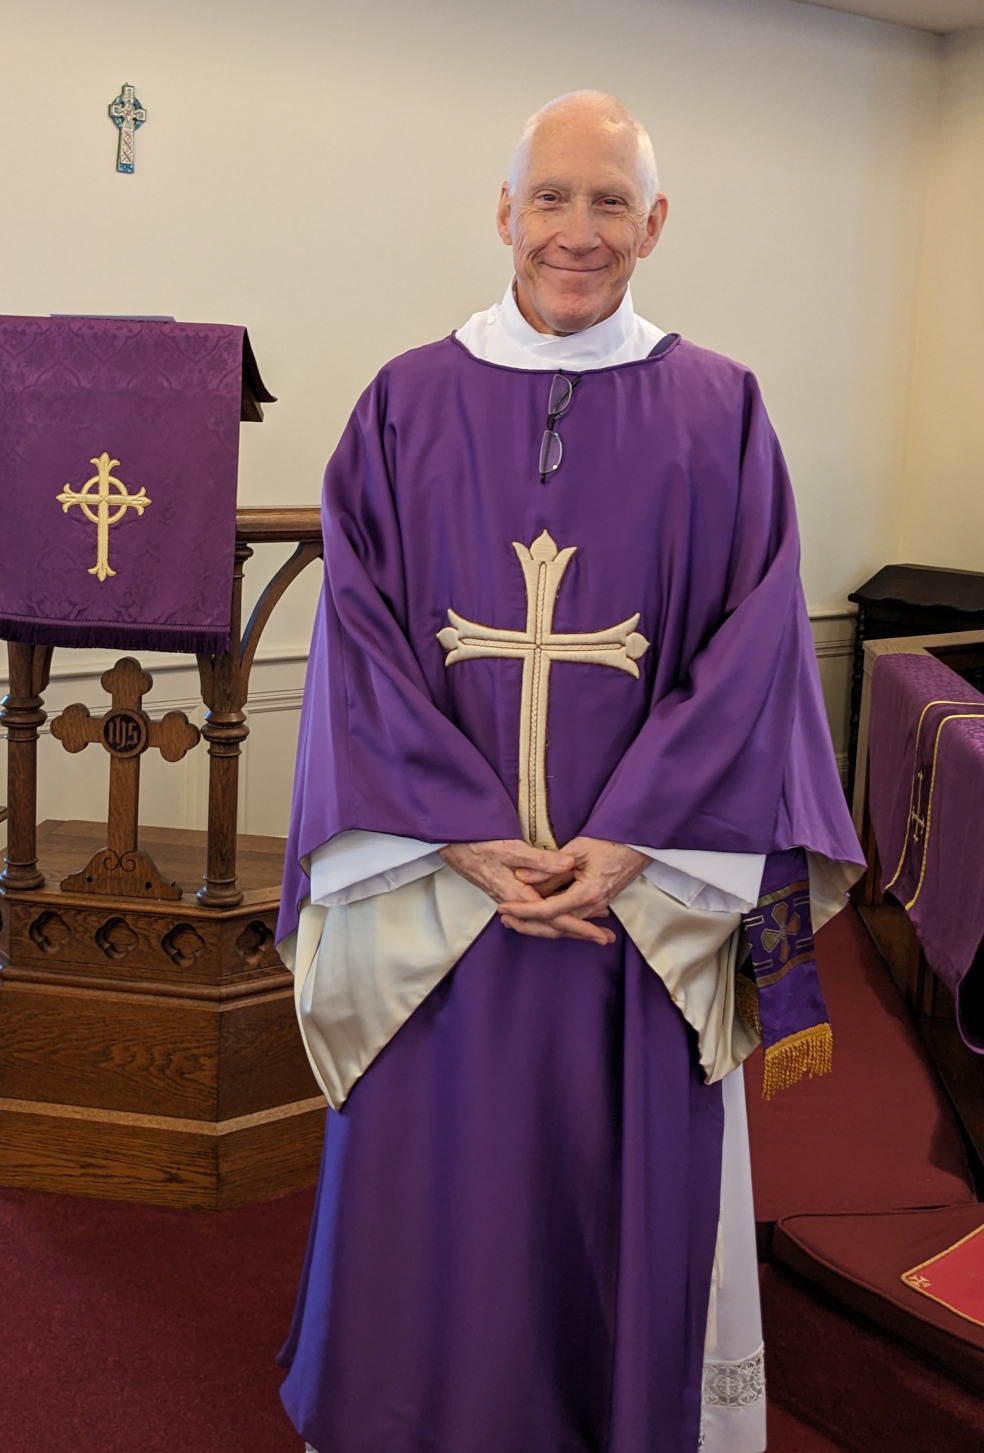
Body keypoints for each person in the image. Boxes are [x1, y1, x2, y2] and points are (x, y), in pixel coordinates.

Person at [275, 91, 863, 1453]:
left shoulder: (720, 412)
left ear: (654, 224)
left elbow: (756, 646)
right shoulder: (404, 406)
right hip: (447, 906)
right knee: (442, 1201)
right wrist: (468, 834)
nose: (577, 232)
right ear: (503, 211)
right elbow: (358, 634)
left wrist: (633, 840)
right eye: (552, 197)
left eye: (610, 202)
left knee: (617, 1215)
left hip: (631, 912)